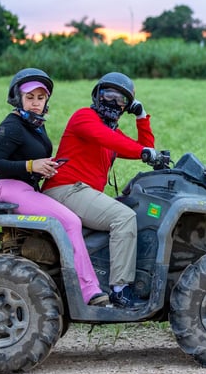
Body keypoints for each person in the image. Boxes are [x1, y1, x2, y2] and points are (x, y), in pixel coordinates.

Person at [0, 68, 109, 306]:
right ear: (17, 98)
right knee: (71, 222)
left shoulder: (35, 125)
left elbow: (28, 159)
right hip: (9, 189)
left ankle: (63, 283)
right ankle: (88, 290)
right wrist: (31, 165)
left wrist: (45, 168)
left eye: (40, 98)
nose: (35, 103)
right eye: (30, 97)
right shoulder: (11, 126)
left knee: (70, 219)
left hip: (26, 189)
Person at [42, 72, 156, 309]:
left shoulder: (111, 129)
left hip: (82, 192)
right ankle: (120, 290)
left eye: (120, 99)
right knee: (123, 217)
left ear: (126, 106)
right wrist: (143, 152)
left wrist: (141, 116)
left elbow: (144, 148)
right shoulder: (84, 117)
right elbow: (108, 139)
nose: (113, 102)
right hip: (65, 189)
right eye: (108, 95)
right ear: (97, 95)